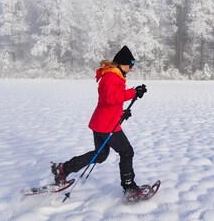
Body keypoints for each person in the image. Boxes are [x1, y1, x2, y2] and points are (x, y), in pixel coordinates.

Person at [51, 45, 147, 196]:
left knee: (100, 155)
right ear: (121, 63)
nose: (131, 68)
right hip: (107, 126)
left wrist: (121, 112)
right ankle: (129, 188)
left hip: (103, 122)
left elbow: (109, 101)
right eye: (130, 64)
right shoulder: (111, 76)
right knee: (127, 152)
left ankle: (63, 169)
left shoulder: (114, 76)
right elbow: (110, 98)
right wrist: (133, 92)